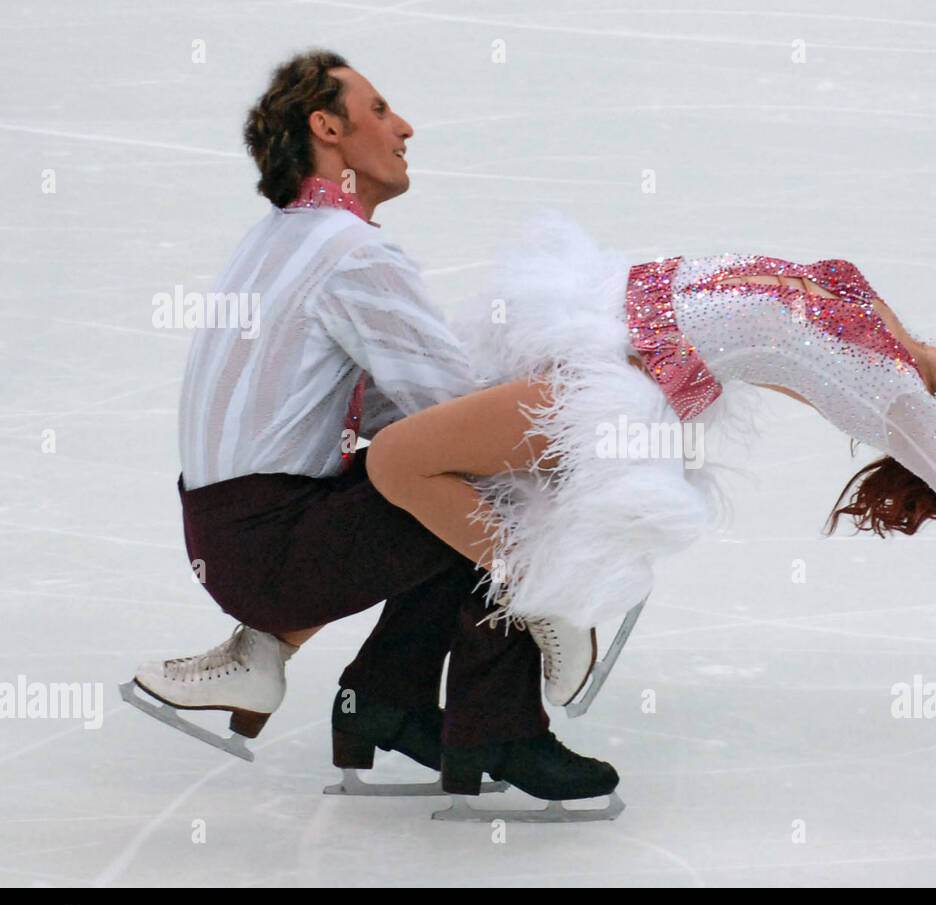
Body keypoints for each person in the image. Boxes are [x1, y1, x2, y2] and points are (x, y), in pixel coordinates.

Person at [358, 210, 936, 765]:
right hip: (594, 314)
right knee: (387, 408)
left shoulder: (907, 406)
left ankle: (546, 602)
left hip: (617, 382)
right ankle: (334, 667)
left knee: (395, 459)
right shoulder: (902, 343)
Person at [126, 51, 618, 805]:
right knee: (495, 487)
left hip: (230, 535)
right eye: (381, 110)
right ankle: (500, 726)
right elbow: (451, 415)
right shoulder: (353, 254)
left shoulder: (277, 238)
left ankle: (387, 699)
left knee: (432, 480)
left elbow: (386, 406)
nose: (405, 127)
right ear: (327, 127)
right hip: (273, 545)